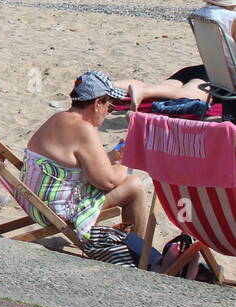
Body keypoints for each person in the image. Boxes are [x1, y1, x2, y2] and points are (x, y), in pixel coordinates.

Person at [20, 70, 151, 238]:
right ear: (97, 103)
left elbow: (73, 161)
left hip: (31, 201)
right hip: (52, 211)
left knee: (128, 180)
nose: (107, 112)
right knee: (135, 186)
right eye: (110, 107)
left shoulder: (57, 118)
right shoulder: (83, 128)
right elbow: (107, 181)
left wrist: (113, 156)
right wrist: (127, 159)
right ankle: (140, 254)